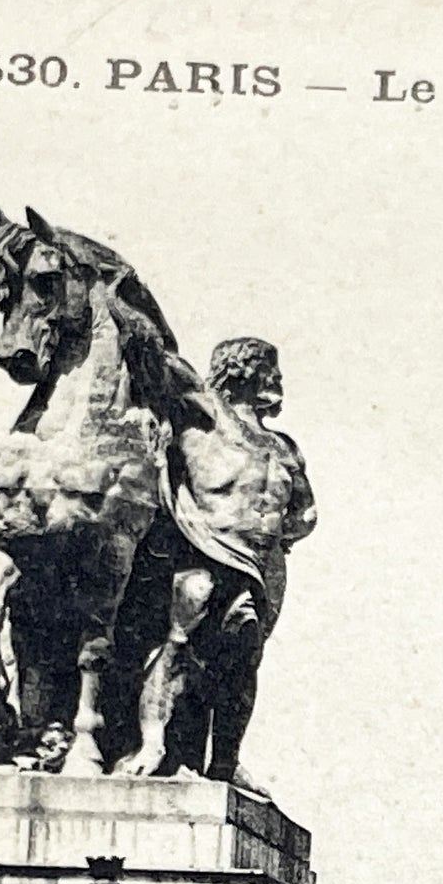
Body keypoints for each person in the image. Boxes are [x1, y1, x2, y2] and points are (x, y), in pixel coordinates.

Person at [124, 336, 317, 784]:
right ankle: (152, 742)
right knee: (178, 642)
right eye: (272, 369)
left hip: (260, 566)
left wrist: (275, 535)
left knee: (243, 656)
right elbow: (153, 355)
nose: (279, 379)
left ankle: (226, 763)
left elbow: (305, 512)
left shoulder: (284, 447)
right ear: (245, 370)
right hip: (203, 547)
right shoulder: (203, 411)